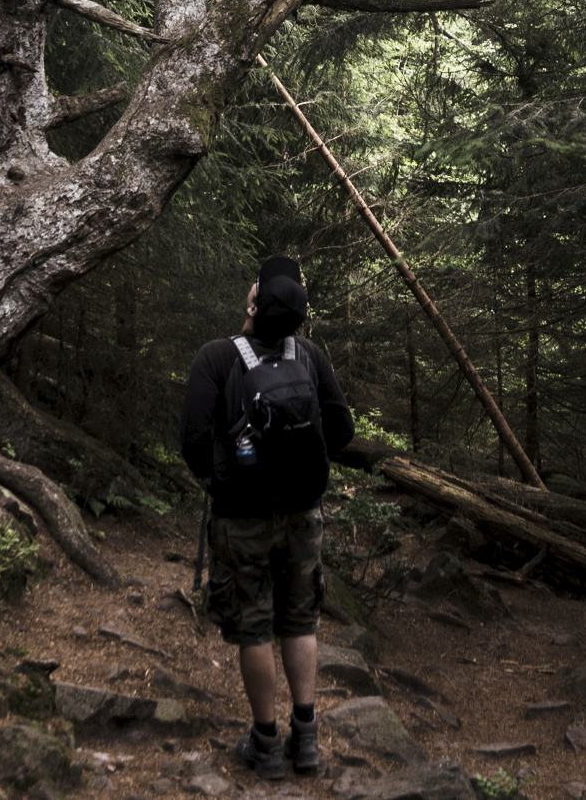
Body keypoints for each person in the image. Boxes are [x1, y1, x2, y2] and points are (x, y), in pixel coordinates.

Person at [180, 255, 355, 780]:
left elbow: (192, 443)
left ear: (253, 303)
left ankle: (266, 743)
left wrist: (223, 480)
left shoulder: (215, 357)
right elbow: (343, 431)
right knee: (300, 620)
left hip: (241, 518)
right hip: (303, 514)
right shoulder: (311, 355)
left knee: (253, 626)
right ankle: (307, 740)